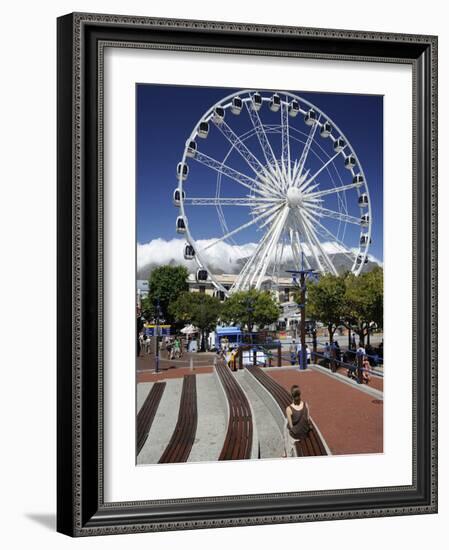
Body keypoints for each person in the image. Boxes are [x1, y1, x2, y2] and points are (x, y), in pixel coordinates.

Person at [283, 385, 311, 457]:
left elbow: (291, 427)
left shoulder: (289, 409)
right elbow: (307, 420)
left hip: (296, 436)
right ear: (300, 394)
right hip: (304, 433)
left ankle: (287, 452)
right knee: (286, 425)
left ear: (291, 395)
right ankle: (285, 450)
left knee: (286, 426)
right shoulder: (306, 404)